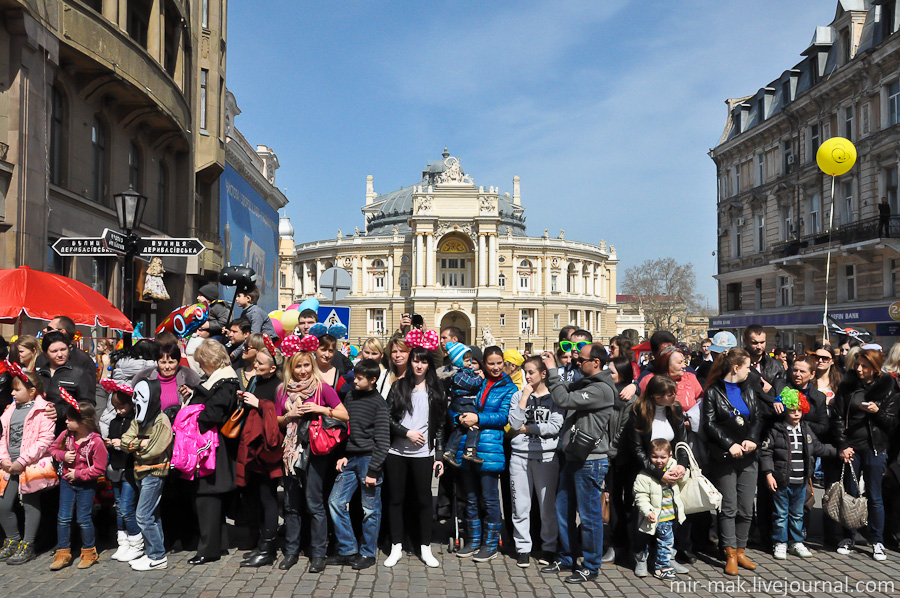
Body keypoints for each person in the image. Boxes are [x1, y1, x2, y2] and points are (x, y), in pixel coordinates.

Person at [540, 342, 615, 584]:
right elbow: (564, 390)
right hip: (573, 457)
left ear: (596, 362)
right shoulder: (587, 382)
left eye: (581, 360)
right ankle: (566, 558)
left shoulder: (600, 389)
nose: (576, 363)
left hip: (590, 461)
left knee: (590, 517)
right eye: (575, 359)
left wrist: (552, 369)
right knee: (563, 510)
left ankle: (591, 566)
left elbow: (562, 399)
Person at [277, 337, 348, 573]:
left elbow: (343, 414)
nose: (303, 371)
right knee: (291, 504)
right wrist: (289, 416)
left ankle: (318, 553)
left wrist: (319, 408)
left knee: (314, 503)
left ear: (312, 366)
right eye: (298, 366)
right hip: (290, 453)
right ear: (291, 368)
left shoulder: (322, 388)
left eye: (306, 365)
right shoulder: (282, 391)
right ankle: (291, 551)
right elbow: (277, 419)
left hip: (314, 452)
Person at [831, 348, 899, 561]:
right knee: (850, 494)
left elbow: (892, 424)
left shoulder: (888, 388)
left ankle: (877, 540)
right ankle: (848, 537)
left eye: (865, 366)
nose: (859, 369)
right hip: (852, 447)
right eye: (858, 365)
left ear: (875, 367)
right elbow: (838, 418)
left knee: (874, 495)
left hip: (875, 447)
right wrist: (842, 444)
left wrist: (877, 412)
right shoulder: (847, 386)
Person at [702, 348, 764, 576]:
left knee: (746, 508)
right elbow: (709, 424)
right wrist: (730, 444)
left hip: (748, 457)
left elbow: (757, 417)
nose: (750, 371)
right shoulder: (713, 392)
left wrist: (752, 439)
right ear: (736, 368)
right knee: (728, 507)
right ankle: (728, 552)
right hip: (725, 458)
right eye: (747, 367)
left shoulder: (748, 388)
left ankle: (740, 550)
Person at [452, 346, 515, 564]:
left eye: (499, 363)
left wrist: (477, 418)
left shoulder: (508, 387)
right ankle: (473, 540)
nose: (496, 367)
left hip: (489, 447)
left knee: (489, 499)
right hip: (466, 445)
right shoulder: (474, 381)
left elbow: (503, 417)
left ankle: (490, 543)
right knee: (470, 497)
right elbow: (456, 404)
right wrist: (459, 417)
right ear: (484, 363)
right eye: (491, 363)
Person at [384, 348, 446, 568]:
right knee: (396, 499)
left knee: (423, 500)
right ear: (410, 363)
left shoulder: (437, 389)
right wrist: (405, 432)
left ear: (429, 365)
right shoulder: (399, 386)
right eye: (415, 361)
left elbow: (440, 426)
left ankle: (425, 547)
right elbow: (387, 417)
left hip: (423, 454)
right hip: (397, 453)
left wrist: (439, 455)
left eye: (423, 362)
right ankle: (396, 546)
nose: (419, 365)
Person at [327, 358, 390, 571]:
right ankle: (347, 549)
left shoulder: (379, 403)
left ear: (372, 380)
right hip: (351, 458)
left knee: (370, 509)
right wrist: (344, 454)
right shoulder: (351, 397)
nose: (355, 381)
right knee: (335, 502)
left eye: (360, 378)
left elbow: (383, 440)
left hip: (369, 460)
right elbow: (348, 429)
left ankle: (368, 553)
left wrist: (374, 469)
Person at [759, 387, 835, 560]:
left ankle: (796, 541)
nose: (796, 414)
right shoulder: (776, 430)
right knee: (780, 514)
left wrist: (838, 451)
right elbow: (766, 453)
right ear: (785, 410)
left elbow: (819, 448)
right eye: (792, 410)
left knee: (797, 513)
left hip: (800, 481)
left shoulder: (806, 429)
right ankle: (780, 542)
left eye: (799, 410)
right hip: (781, 480)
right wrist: (769, 473)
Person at [183, 340, 240, 566]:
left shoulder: (224, 382)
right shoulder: (225, 379)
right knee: (213, 498)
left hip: (213, 447)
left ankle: (208, 550)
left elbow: (212, 415)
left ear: (209, 361)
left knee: (206, 497)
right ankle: (219, 544)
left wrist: (194, 412)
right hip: (218, 446)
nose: (200, 368)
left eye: (201, 363)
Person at [627, 375, 689, 576]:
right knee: (646, 517)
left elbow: (682, 442)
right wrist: (659, 473)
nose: (674, 397)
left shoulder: (676, 410)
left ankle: (667, 558)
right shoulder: (639, 412)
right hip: (647, 473)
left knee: (671, 518)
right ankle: (641, 557)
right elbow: (636, 450)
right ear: (656, 396)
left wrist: (682, 465)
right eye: (669, 394)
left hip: (671, 472)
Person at [507, 356, 564, 568]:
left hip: (546, 457)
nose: (527, 376)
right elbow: (514, 423)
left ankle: (549, 547)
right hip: (520, 457)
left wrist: (529, 428)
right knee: (520, 506)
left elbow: (554, 426)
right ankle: (523, 548)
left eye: (531, 372)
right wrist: (524, 397)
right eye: (525, 372)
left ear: (543, 374)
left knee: (546, 507)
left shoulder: (555, 398)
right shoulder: (518, 395)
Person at [0, 369, 56, 565]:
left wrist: (22, 461)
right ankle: (13, 539)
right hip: (9, 465)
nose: (12, 393)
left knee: (31, 504)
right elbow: (2, 436)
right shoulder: (10, 409)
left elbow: (45, 440)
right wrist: (3, 459)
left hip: (29, 465)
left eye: (17, 389)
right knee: (4, 505)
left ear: (32, 391)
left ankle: (28, 544)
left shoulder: (44, 409)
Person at [235, 344, 284, 568]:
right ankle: (262, 546)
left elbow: (278, 417)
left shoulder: (278, 386)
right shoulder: (258, 382)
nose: (255, 365)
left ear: (272, 368)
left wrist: (259, 404)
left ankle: (267, 549)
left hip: (268, 452)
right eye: (256, 362)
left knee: (268, 499)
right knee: (257, 498)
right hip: (254, 449)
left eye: (260, 363)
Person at [119, 376, 173, 571]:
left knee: (142, 515)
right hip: (140, 472)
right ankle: (154, 553)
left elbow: (155, 449)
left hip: (155, 473)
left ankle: (157, 556)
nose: (135, 401)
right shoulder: (137, 419)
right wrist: (139, 444)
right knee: (152, 515)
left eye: (140, 396)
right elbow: (125, 441)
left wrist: (138, 447)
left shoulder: (161, 419)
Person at [49, 402, 107, 570]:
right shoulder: (67, 435)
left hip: (86, 485)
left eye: (69, 419)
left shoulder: (96, 442)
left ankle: (89, 552)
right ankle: (63, 553)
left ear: (82, 421)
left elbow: (99, 468)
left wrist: (79, 474)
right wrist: (62, 455)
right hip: (67, 483)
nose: (66, 422)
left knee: (83, 518)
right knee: (63, 518)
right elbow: (52, 449)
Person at [100, 381, 143, 563]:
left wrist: (121, 444)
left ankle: (136, 541)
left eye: (122, 407)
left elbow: (136, 444)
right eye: (116, 407)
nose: (118, 411)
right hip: (115, 468)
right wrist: (109, 443)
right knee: (118, 507)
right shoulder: (115, 421)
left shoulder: (135, 421)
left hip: (129, 469)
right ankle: (123, 541)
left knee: (126, 508)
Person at [633, 439, 686, 581]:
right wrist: (647, 511)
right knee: (662, 541)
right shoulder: (644, 475)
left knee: (666, 541)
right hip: (655, 516)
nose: (659, 461)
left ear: (670, 456)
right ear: (648, 456)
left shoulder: (673, 467)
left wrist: (681, 472)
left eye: (663, 457)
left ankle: (660, 561)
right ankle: (661, 567)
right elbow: (640, 496)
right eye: (655, 457)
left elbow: (684, 480)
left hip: (671, 515)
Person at [604, 355, 636, 566]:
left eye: (612, 371)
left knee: (628, 501)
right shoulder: (607, 391)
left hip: (625, 456)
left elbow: (622, 430)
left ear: (622, 374)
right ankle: (615, 545)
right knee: (613, 500)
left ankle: (629, 545)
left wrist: (609, 451)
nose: (608, 374)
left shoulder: (629, 397)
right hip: (611, 454)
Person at [36, 331, 97, 430]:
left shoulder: (80, 373)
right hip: (40, 429)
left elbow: (88, 404)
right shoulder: (39, 373)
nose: (60, 354)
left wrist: (61, 411)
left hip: (67, 429)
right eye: (54, 351)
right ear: (46, 353)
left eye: (63, 349)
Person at [442, 342, 486, 467]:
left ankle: (450, 451)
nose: (470, 363)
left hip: (463, 402)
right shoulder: (458, 375)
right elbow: (470, 383)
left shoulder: (462, 371)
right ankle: (470, 450)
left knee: (460, 429)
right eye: (467, 360)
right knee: (475, 425)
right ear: (458, 361)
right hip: (463, 402)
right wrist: (480, 378)